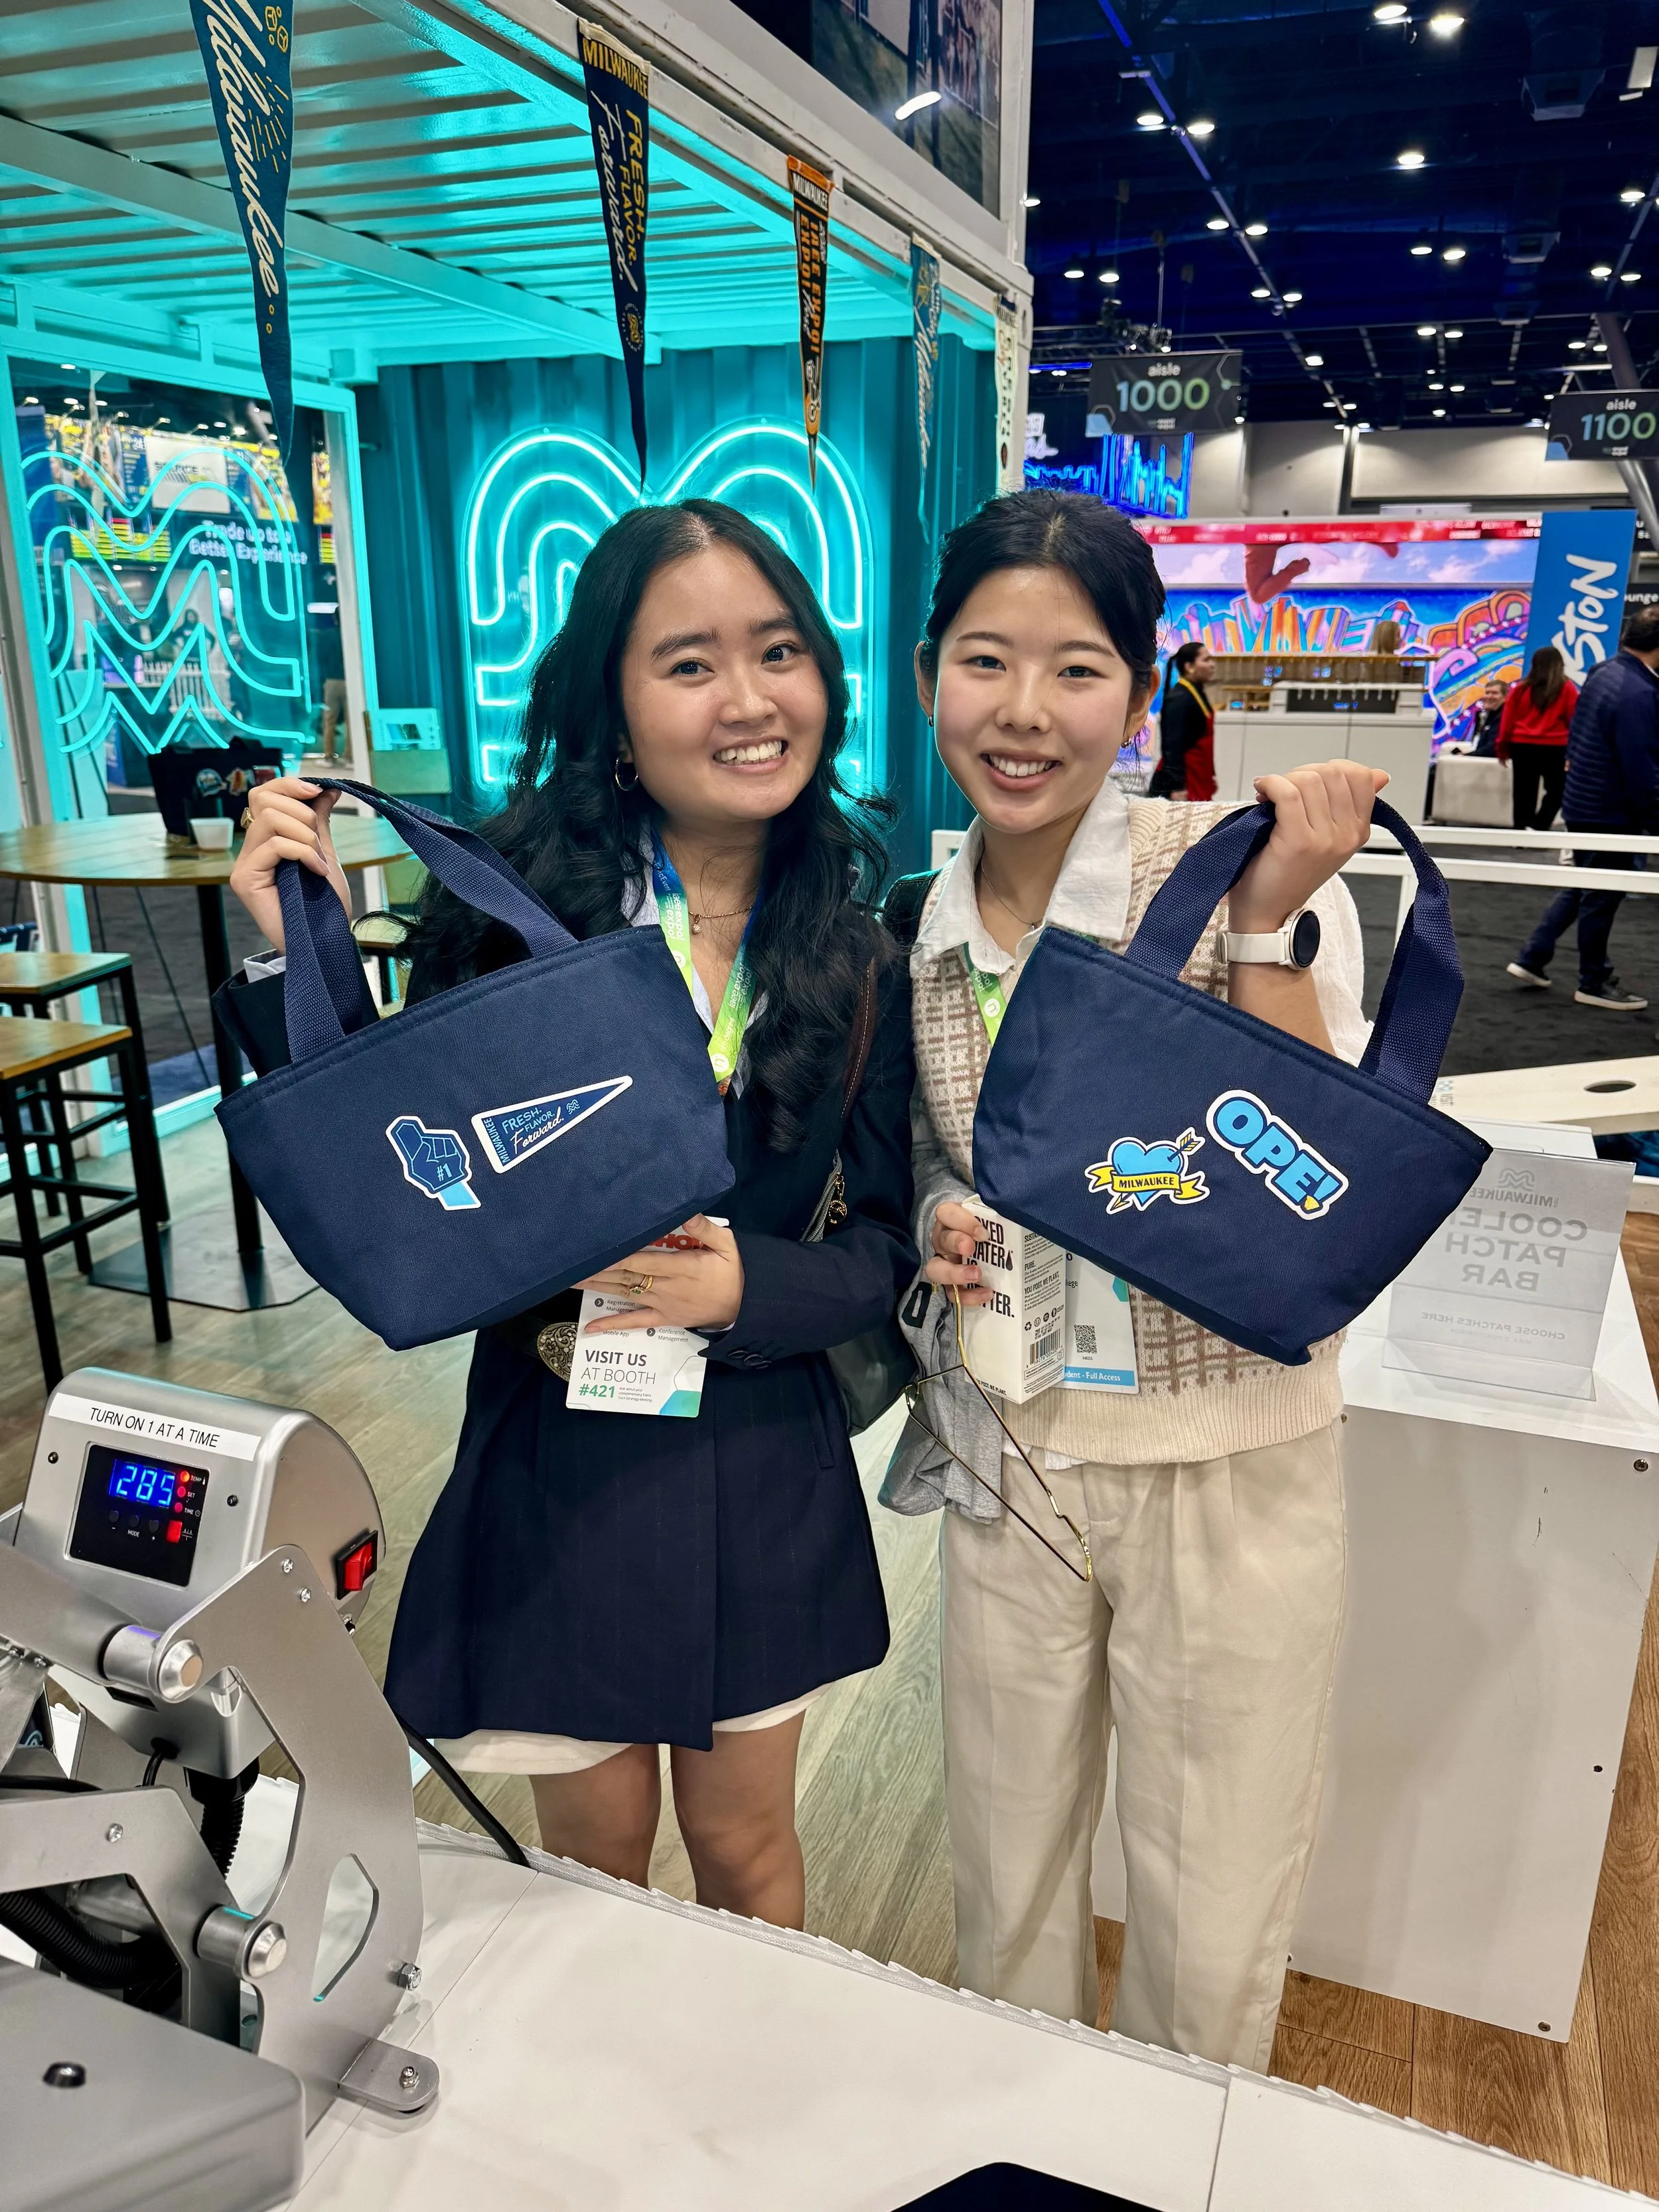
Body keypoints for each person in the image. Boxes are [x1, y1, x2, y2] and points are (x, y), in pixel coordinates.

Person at [227, 500, 917, 1928]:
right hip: (558, 1459)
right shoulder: (501, 920)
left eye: (777, 650)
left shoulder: (854, 953)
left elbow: (884, 1255)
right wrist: (283, 951)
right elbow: (396, 1182)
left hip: (759, 1459)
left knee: (745, 1859)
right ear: (609, 701)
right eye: (688, 662)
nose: (747, 699)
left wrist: (745, 1293)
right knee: (585, 1879)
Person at [882, 489, 1376, 2072]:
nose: (1024, 714)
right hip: (1009, 1458)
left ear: (1144, 695)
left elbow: (1326, 1186)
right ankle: (1025, 2144)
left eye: (1077, 669)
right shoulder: (917, 924)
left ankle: (1180, 2169)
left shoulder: (1244, 874)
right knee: (1005, 1875)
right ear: (925, 677)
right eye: (984, 662)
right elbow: (928, 1171)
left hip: (1228, 1464)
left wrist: (1269, 925)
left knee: (1209, 1904)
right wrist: (933, 1237)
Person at [1508, 607, 1659, 1012]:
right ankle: (1594, 980)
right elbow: (1640, 764)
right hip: (1611, 811)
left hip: (1584, 803)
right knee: (1601, 895)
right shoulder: (1639, 692)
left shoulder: (1604, 672)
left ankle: (1532, 957)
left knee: (1584, 885)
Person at [1496, 646, 1576, 832]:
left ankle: (1520, 832)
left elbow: (1507, 723)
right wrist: (1573, 752)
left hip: (1522, 746)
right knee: (1559, 790)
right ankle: (1538, 826)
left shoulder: (1521, 689)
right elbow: (1575, 721)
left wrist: (1502, 749)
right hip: (1555, 747)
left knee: (1523, 792)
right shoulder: (1567, 689)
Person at [1146, 640, 1215, 800]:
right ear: (1189, 667)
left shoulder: (1194, 694)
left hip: (1196, 776)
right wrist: (1176, 787)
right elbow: (1173, 747)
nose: (1212, 665)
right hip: (1181, 785)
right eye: (1206, 660)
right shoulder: (1179, 698)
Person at [1469, 676, 1507, 757]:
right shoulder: (1486, 716)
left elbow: (1493, 748)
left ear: (1505, 697)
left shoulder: (1503, 717)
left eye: (1494, 693)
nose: (1489, 697)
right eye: (1487, 693)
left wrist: (1469, 755)